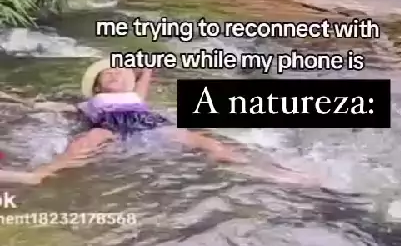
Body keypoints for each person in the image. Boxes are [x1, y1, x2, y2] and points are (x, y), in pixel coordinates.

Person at [0, 60, 245, 186]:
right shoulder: (91, 103)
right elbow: (47, 106)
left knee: (196, 138)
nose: (114, 73)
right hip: (110, 127)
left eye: (119, 71)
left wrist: (145, 71)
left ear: (129, 82)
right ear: (97, 87)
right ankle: (42, 173)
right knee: (90, 139)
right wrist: (14, 99)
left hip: (150, 125)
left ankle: (229, 158)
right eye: (107, 73)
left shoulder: (135, 97)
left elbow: (145, 76)